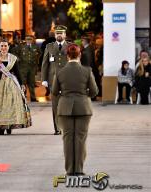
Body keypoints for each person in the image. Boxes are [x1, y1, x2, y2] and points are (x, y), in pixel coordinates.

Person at [52, 44, 98, 176]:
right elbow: (94, 91)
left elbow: (55, 91)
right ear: (80, 55)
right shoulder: (87, 71)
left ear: (67, 56)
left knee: (67, 139)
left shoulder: (59, 71)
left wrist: (66, 95)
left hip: (65, 108)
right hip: (83, 108)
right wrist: (83, 95)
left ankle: (69, 170)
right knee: (80, 139)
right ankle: (78, 169)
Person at [0, 39, 31, 135]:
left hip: (10, 84)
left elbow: (17, 72)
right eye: (1, 46)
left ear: (8, 47)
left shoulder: (13, 58)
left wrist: (21, 84)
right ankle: (0, 127)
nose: (3, 48)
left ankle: (10, 126)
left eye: (5, 46)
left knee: (11, 105)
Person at [41, 25, 70, 135]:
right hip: (53, 81)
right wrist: (44, 79)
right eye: (57, 33)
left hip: (67, 80)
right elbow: (45, 64)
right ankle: (57, 128)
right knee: (55, 105)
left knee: (67, 105)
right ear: (55, 35)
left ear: (65, 35)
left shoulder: (70, 47)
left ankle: (66, 127)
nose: (59, 35)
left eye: (61, 33)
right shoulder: (49, 47)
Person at [18, 35, 41, 102]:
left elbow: (40, 53)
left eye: (30, 39)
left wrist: (36, 59)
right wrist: (18, 59)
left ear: (32, 40)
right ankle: (23, 97)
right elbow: (14, 52)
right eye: (27, 39)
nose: (29, 40)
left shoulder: (35, 46)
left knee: (31, 83)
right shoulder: (21, 46)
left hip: (32, 68)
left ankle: (33, 98)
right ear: (25, 39)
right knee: (23, 83)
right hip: (23, 68)